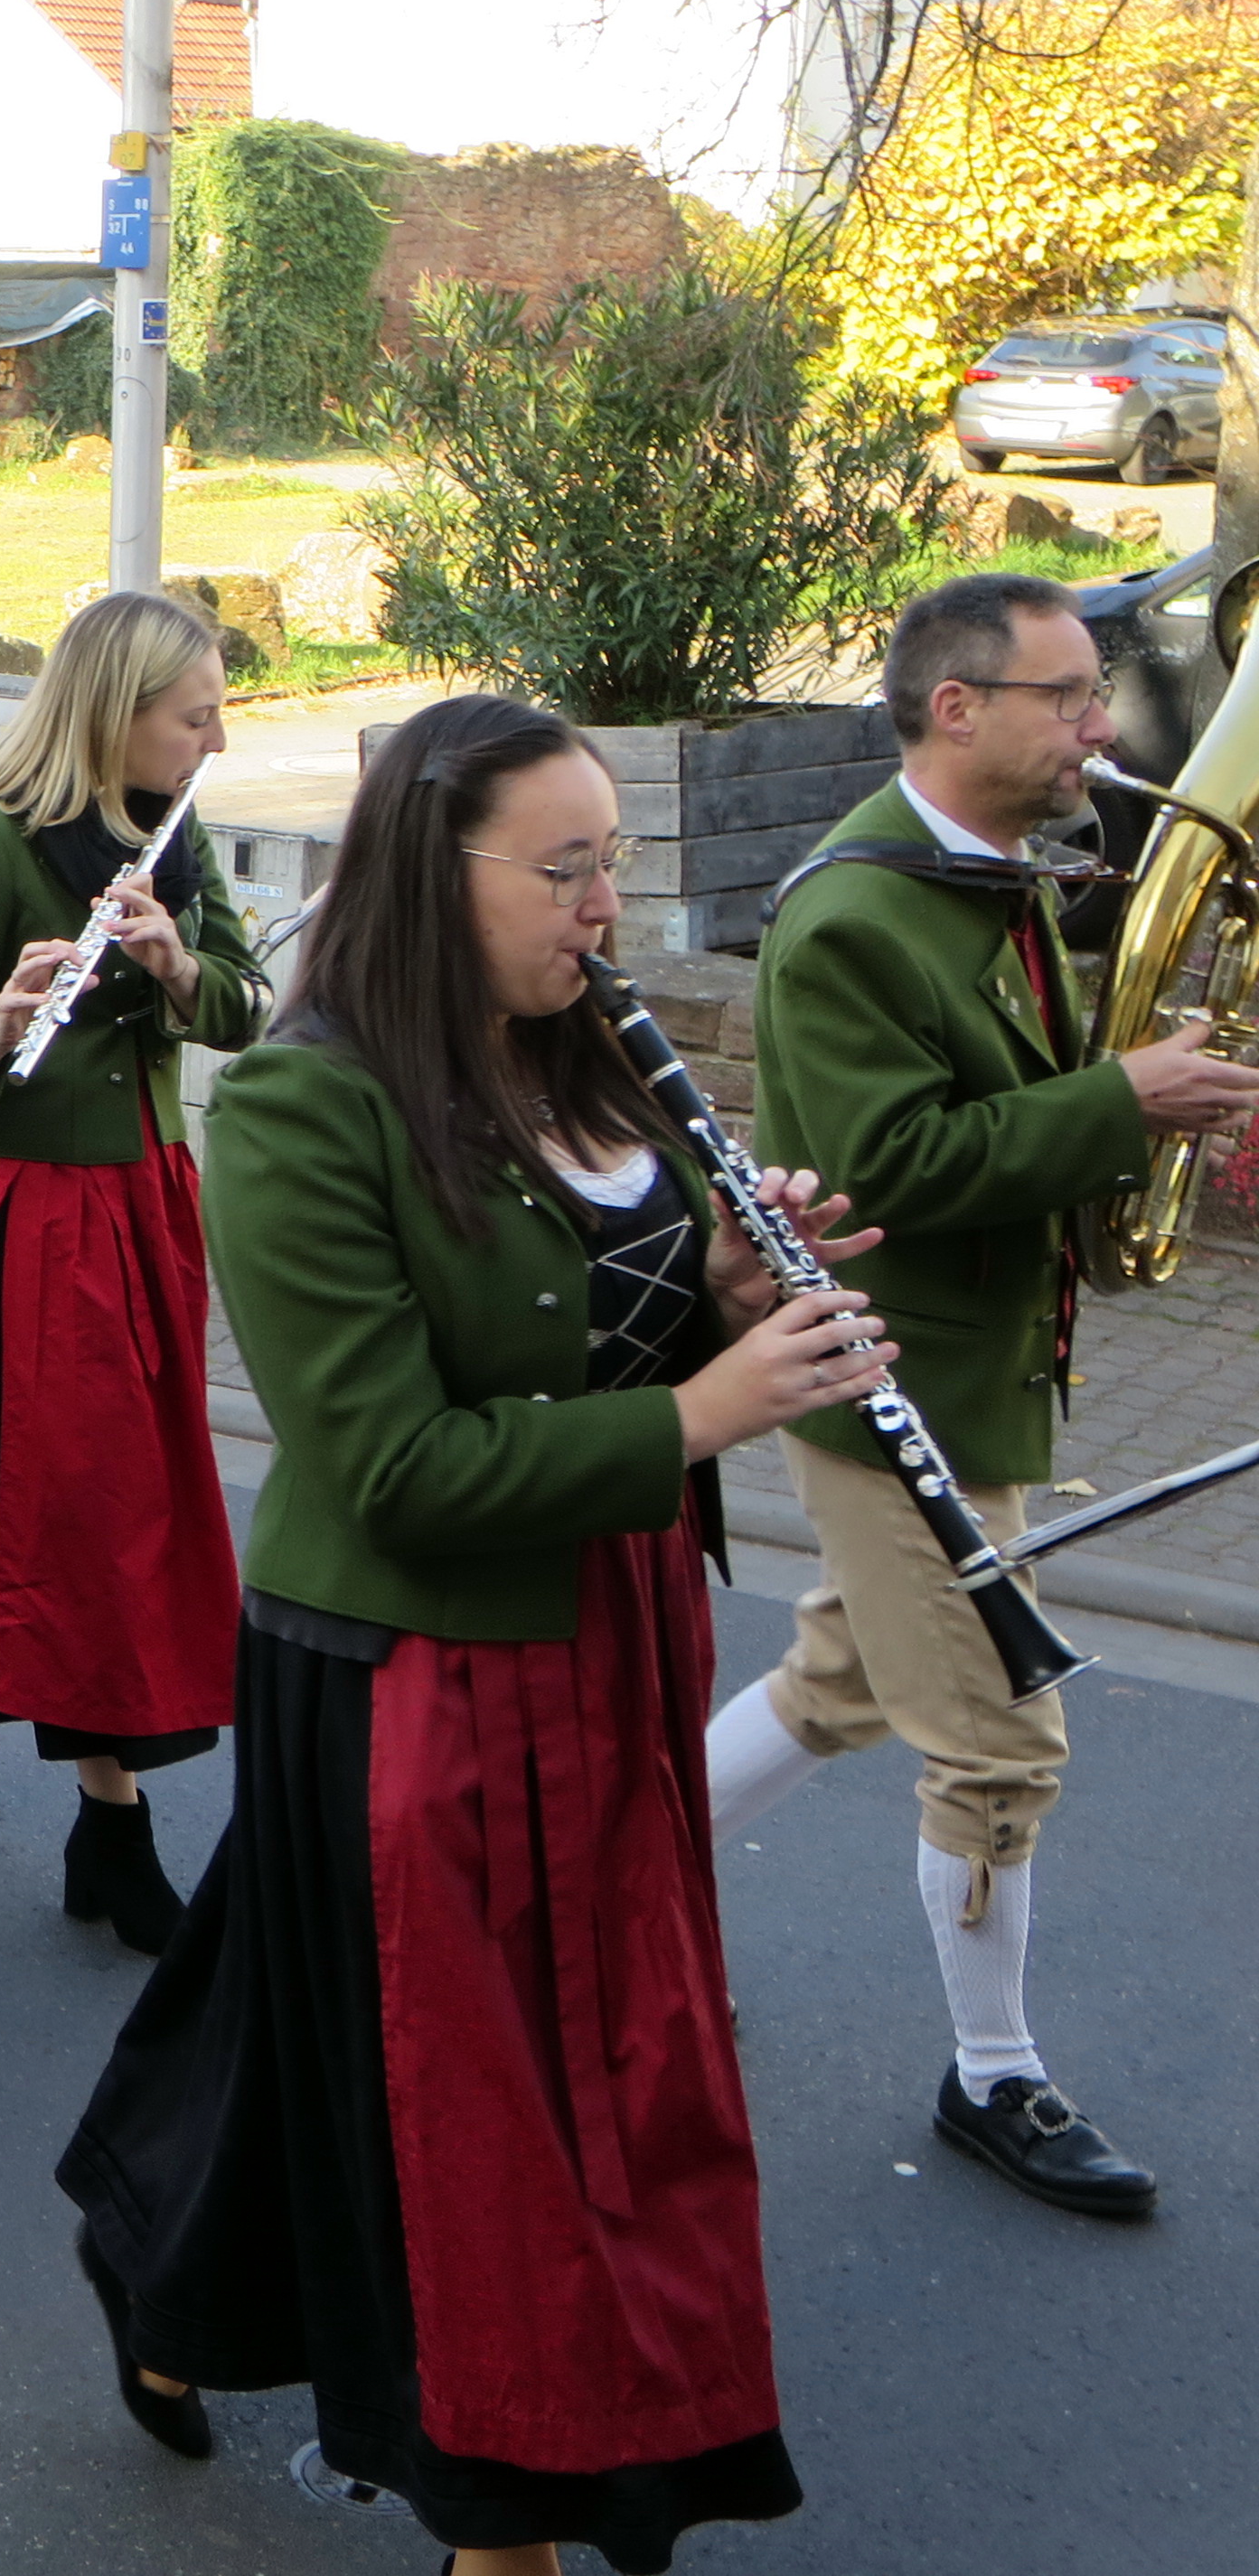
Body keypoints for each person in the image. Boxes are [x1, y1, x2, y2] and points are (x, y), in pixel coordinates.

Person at [55, 693, 878, 2574]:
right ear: (438, 873)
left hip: (600, 1624)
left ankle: (168, 2272)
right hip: (415, 1665)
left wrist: (719, 1289)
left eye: (613, 861)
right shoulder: (297, 1102)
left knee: (429, 2042)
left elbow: (588, 1324)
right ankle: (495, 2502)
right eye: (564, 867)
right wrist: (703, 1407)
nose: (604, 907)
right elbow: (395, 1457)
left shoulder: (577, 1051)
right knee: (474, 2096)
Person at [705, 572, 1259, 2217]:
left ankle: (607, 1879)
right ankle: (992, 2072)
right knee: (1004, 1747)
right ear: (959, 709)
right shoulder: (855, 916)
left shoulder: (998, 879)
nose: (1105, 723)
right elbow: (884, 1170)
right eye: (1071, 696)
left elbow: (1016, 1103)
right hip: (899, 1387)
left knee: (840, 1682)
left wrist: (1148, 1102)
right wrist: (1116, 1099)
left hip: (981, 1370)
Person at [0, 591, 260, 1949]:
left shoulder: (169, 843)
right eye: (194, 716)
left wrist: (179, 963)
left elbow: (246, 1011)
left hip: (140, 1203)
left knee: (92, 1504)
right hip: (23, 1212)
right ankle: (112, 1828)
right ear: (116, 712)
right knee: (88, 1518)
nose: (216, 736)